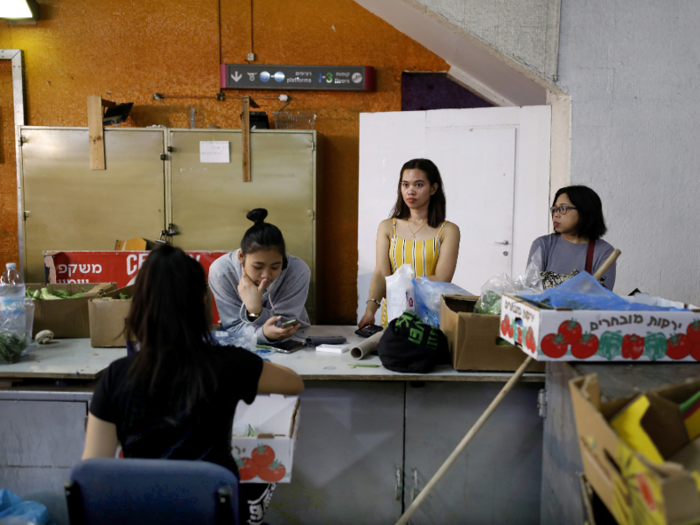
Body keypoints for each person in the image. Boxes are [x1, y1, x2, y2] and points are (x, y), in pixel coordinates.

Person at [82, 245, 304, 525]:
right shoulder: (229, 364)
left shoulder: (116, 376)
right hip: (214, 515)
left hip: (144, 517)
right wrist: (243, 354)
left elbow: (92, 475)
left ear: (139, 307)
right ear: (203, 302)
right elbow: (294, 383)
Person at [359, 158, 461, 328]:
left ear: (433, 188)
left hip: (430, 319)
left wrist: (399, 285)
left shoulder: (448, 230)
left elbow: (442, 278)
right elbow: (380, 274)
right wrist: (370, 311)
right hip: (393, 316)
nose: (410, 191)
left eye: (419, 185)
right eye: (405, 185)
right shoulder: (387, 227)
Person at [209, 208, 311, 344]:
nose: (266, 276)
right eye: (258, 267)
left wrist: (255, 311)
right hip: (241, 343)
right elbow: (233, 327)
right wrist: (262, 331)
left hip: (294, 338)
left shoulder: (298, 270)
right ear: (241, 257)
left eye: (275, 267)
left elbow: (286, 323)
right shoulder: (222, 272)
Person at [527, 185, 617, 290]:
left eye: (563, 208)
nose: (556, 214)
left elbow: (602, 296)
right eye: (555, 209)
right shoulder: (542, 244)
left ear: (585, 211)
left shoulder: (603, 251)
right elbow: (530, 288)